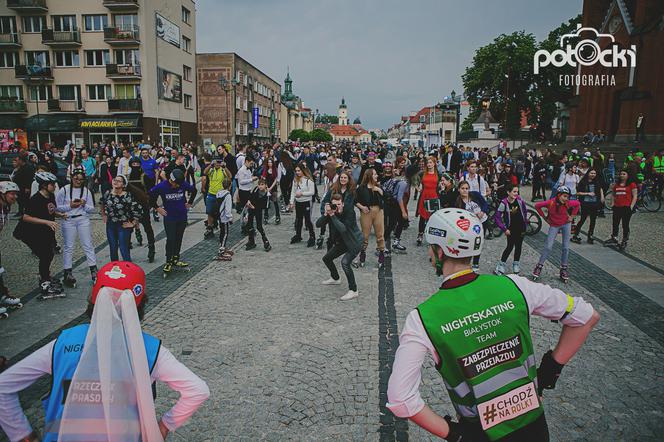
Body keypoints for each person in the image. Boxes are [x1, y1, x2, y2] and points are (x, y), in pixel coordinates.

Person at [386, 208, 600, 441]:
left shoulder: (422, 318)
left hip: (481, 432)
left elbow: (400, 398)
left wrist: (456, 435)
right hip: (534, 427)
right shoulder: (516, 286)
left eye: (431, 246)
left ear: (440, 251)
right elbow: (586, 316)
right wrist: (549, 371)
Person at [0, 261, 210, 441]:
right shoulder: (151, 349)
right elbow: (198, 390)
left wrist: (23, 435)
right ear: (140, 304)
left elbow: (3, 387)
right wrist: (164, 426)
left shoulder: (63, 342)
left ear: (93, 300)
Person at [17, 172, 66, 297]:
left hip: (45, 231)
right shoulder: (35, 199)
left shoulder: (50, 196)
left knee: (48, 254)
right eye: (52, 184)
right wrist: (46, 222)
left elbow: (50, 210)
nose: (55, 186)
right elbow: (26, 217)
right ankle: (45, 283)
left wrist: (60, 215)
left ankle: (46, 277)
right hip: (31, 232)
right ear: (44, 185)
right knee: (45, 255)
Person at [55, 168, 98, 286]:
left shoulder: (86, 191)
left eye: (81, 179)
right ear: (72, 178)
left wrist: (83, 205)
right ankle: (67, 272)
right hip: (68, 219)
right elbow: (57, 207)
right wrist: (70, 206)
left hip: (83, 219)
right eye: (76, 178)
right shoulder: (64, 190)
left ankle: (94, 271)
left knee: (88, 245)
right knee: (69, 246)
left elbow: (92, 209)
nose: (78, 181)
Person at [317, 193, 363, 301]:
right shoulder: (331, 213)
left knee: (345, 263)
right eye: (334, 205)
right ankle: (335, 278)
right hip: (342, 242)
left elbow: (342, 229)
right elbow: (318, 225)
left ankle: (353, 290)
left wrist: (332, 215)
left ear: (342, 204)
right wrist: (325, 214)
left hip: (354, 242)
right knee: (327, 258)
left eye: (339, 204)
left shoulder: (349, 212)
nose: (337, 207)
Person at [150, 169, 197, 273]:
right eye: (176, 184)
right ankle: (168, 261)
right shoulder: (162, 186)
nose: (177, 187)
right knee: (171, 239)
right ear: (171, 180)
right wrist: (157, 208)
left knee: (179, 238)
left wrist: (190, 202)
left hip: (182, 216)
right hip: (170, 217)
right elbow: (151, 196)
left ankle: (176, 258)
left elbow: (194, 190)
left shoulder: (182, 184)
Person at [533, 186, 580, 282]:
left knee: (566, 247)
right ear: (558, 195)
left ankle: (563, 268)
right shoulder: (551, 202)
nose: (566, 199)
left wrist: (572, 216)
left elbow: (578, 204)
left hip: (566, 224)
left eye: (567, 197)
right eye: (564, 196)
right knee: (548, 246)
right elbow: (537, 206)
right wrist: (544, 217)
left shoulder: (568, 203)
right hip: (554, 225)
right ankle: (539, 266)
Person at [100, 175, 142, 262]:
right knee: (113, 248)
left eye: (119, 181)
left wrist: (133, 223)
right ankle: (115, 270)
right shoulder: (108, 193)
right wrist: (103, 214)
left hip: (123, 225)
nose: (116, 182)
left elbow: (138, 210)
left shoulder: (127, 196)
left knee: (124, 248)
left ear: (123, 185)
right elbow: (101, 202)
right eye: (115, 180)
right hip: (111, 225)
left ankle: (128, 270)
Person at [127, 158, 157, 262]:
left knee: (148, 228)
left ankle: (151, 248)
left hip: (143, 205)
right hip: (131, 206)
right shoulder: (128, 177)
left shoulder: (145, 177)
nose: (135, 165)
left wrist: (151, 204)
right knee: (128, 228)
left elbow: (151, 191)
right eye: (133, 164)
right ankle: (127, 248)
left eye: (137, 164)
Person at [494, 184, 528, 275]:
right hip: (511, 230)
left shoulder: (520, 201)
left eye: (517, 192)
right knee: (509, 246)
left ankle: (516, 264)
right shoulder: (504, 203)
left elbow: (524, 211)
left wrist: (525, 222)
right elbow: (497, 217)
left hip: (521, 228)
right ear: (508, 192)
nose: (516, 193)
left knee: (518, 246)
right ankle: (501, 265)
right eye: (514, 191)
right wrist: (504, 229)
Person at [355, 167, 386, 267]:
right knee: (365, 235)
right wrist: (362, 207)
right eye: (375, 174)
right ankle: (362, 253)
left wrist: (379, 190)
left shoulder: (379, 186)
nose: (377, 176)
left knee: (380, 234)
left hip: (378, 211)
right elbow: (355, 200)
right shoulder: (361, 188)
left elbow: (388, 197)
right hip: (366, 212)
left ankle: (381, 252)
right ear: (369, 176)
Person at [455, 181, 488, 273]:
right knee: (469, 243)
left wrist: (482, 212)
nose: (465, 190)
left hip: (482, 221)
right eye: (463, 188)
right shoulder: (458, 202)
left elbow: (485, 204)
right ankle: (465, 262)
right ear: (459, 190)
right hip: (471, 226)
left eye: (466, 188)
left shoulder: (475, 195)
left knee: (479, 242)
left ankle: (476, 263)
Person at [0, 182, 22, 316]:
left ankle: (2, 295)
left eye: (16, 194)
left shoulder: (5, 208)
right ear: (3, 194)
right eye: (12, 193)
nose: (15, 197)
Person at [605, 170, 637, 250]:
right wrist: (612, 203)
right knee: (615, 223)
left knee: (625, 224)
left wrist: (631, 206)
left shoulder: (632, 184)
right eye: (621, 174)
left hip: (626, 207)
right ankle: (614, 237)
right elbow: (613, 194)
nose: (622, 175)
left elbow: (635, 196)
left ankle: (624, 240)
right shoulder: (616, 185)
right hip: (617, 207)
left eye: (624, 174)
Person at [382, 162, 409, 253]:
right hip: (393, 204)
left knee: (400, 222)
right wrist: (403, 211)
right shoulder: (403, 182)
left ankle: (396, 242)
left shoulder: (399, 180)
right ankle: (383, 245)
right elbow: (399, 197)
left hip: (394, 203)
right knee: (392, 224)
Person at [572, 169, 604, 245]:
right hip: (585, 203)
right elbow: (578, 193)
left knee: (593, 220)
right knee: (583, 219)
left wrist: (602, 197)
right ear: (588, 173)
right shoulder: (583, 182)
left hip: (594, 203)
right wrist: (587, 193)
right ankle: (576, 234)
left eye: (594, 173)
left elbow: (600, 188)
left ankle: (590, 235)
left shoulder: (596, 181)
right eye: (591, 173)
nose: (593, 175)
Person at [289, 163, 316, 247]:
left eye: (299, 171)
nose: (297, 172)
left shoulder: (309, 180)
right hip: (298, 202)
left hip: (306, 202)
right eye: (296, 171)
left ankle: (312, 236)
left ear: (303, 170)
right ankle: (298, 235)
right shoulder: (295, 180)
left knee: (307, 220)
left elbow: (312, 192)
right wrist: (291, 202)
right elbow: (293, 191)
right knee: (298, 219)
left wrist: (302, 193)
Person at [202, 156, 229, 238]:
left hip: (220, 195)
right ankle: (210, 229)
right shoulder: (211, 169)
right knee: (209, 212)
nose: (218, 164)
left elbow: (230, 176)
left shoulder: (223, 170)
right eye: (216, 162)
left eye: (219, 162)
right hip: (211, 193)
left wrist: (225, 167)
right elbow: (204, 172)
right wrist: (211, 165)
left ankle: (222, 227)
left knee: (220, 212)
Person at [416, 157, 440, 246]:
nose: (429, 164)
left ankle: (433, 237)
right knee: (422, 217)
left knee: (433, 218)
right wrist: (418, 188)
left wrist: (442, 188)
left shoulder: (438, 174)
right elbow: (414, 179)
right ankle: (420, 235)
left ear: (434, 163)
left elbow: (443, 183)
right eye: (428, 163)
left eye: (430, 162)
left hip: (434, 196)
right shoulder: (422, 173)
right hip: (424, 196)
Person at [244, 178, 272, 252]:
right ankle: (251, 241)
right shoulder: (256, 189)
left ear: (266, 185)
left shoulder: (267, 195)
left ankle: (265, 241)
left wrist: (254, 207)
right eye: (259, 184)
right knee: (249, 225)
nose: (260, 186)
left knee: (259, 226)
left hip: (258, 210)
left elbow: (265, 206)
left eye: (262, 185)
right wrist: (249, 201)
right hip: (251, 208)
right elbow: (251, 195)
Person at [214, 175, 234, 261]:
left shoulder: (219, 193)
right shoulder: (228, 195)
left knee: (222, 232)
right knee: (225, 233)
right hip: (225, 218)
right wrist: (230, 218)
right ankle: (221, 251)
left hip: (219, 216)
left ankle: (222, 247)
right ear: (230, 186)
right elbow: (228, 208)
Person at [10, 151, 34, 218]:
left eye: (18, 160)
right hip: (19, 187)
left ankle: (26, 213)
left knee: (24, 201)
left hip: (24, 187)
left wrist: (27, 187)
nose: (17, 162)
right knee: (20, 200)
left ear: (21, 160)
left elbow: (29, 178)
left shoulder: (28, 167)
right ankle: (20, 212)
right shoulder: (21, 167)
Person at [262, 157, 281, 225]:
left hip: (273, 188)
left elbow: (276, 180)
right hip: (267, 188)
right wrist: (267, 187)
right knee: (266, 203)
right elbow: (264, 178)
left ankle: (277, 216)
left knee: (275, 202)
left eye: (271, 162)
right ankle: (266, 216)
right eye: (268, 162)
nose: (269, 163)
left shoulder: (275, 170)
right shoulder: (265, 169)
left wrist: (270, 188)